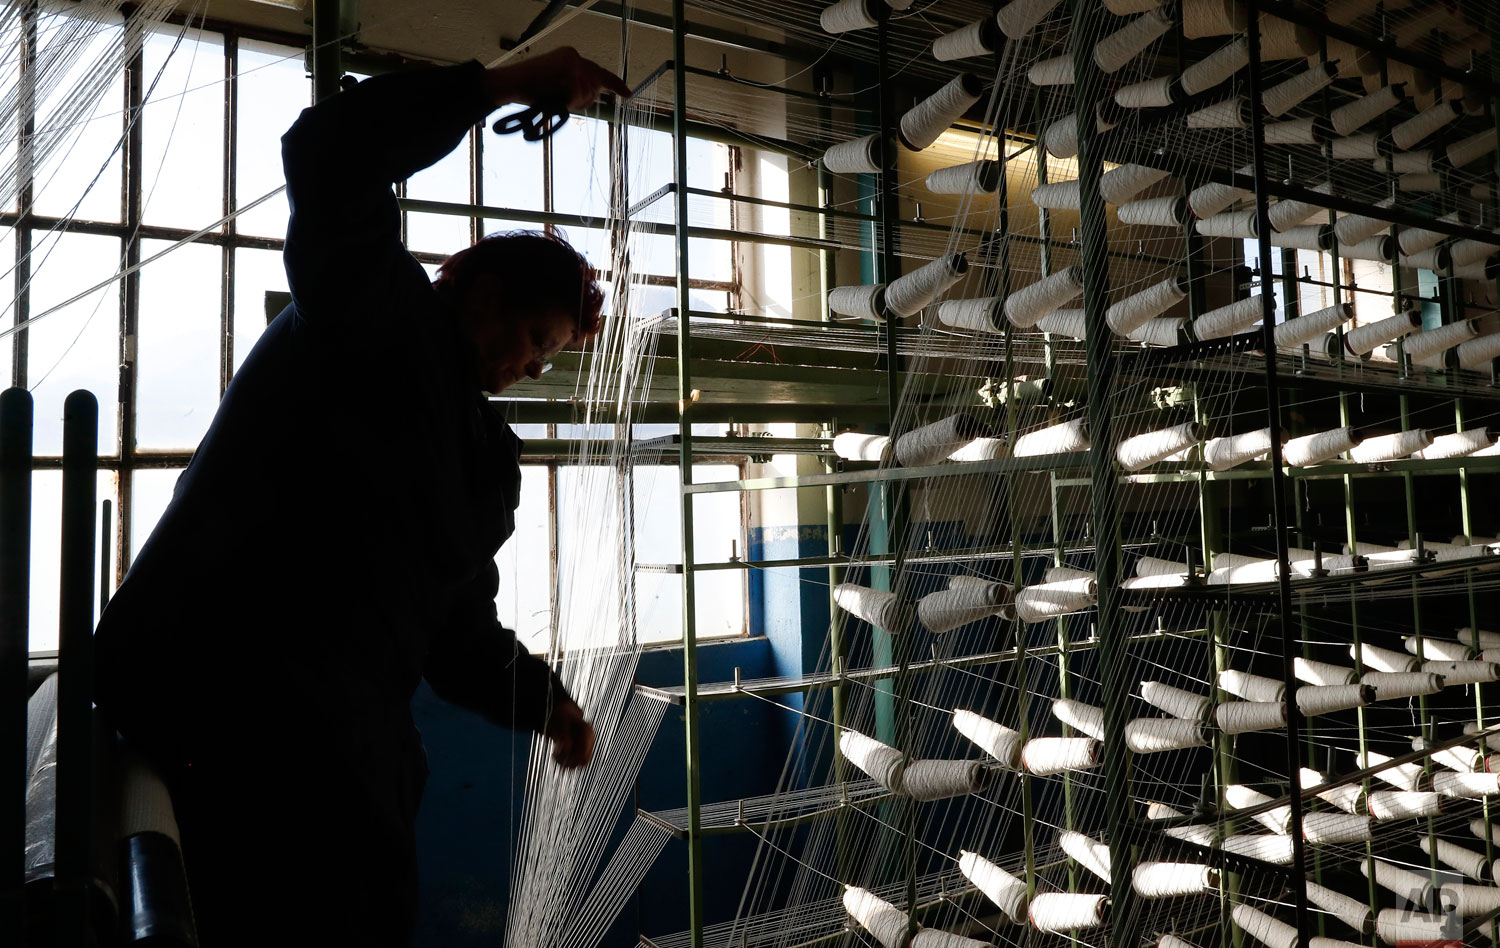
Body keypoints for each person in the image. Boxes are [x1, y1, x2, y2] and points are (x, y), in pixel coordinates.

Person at [92, 47, 630, 946]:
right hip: (225, 690)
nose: (529, 366)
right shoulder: (372, 314)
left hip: (337, 740)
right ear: (480, 291)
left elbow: (456, 625)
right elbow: (331, 152)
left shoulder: (483, 462)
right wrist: (495, 86)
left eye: (547, 360)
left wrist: (546, 704)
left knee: (365, 895)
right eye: (533, 337)